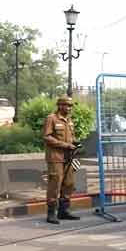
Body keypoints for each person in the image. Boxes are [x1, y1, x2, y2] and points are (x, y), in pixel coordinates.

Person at [43, 96, 81, 224]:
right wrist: (66, 145)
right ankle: (51, 213)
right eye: (67, 105)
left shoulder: (69, 120)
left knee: (69, 184)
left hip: (68, 157)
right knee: (55, 185)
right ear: (60, 106)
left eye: (70, 106)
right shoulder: (51, 118)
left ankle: (63, 211)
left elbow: (71, 138)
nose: (69, 108)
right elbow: (47, 137)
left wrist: (75, 143)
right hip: (56, 158)